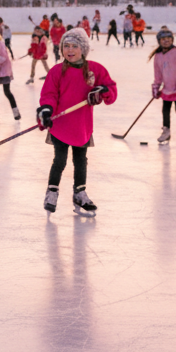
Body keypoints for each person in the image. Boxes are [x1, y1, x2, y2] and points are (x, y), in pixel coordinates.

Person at [36, 28, 116, 216]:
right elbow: (49, 94)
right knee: (60, 160)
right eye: (66, 46)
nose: (70, 50)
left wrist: (102, 91)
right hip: (60, 125)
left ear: (83, 48)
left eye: (74, 46)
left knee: (81, 161)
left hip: (82, 126)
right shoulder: (56, 71)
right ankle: (52, 191)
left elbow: (110, 91)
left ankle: (79, 193)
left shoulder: (95, 69)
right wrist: (46, 110)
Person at [150, 27, 176, 144]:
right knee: (165, 110)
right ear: (159, 41)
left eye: (168, 38)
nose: (166, 41)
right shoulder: (158, 56)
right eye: (163, 39)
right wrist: (156, 86)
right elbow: (158, 73)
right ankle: (166, 132)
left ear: (172, 40)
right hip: (167, 88)